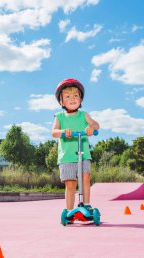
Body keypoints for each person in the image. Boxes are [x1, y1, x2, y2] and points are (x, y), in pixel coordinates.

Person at [51, 78, 100, 213]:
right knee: (70, 183)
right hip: (67, 156)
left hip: (83, 153)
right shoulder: (59, 116)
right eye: (67, 96)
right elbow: (53, 132)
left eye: (75, 96)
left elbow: (96, 126)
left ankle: (87, 205)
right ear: (61, 101)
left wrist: (91, 127)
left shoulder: (84, 115)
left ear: (80, 99)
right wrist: (62, 132)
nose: (72, 99)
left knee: (85, 177)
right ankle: (69, 211)